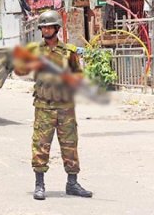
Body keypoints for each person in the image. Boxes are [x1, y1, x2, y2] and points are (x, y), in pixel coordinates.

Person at [13, 10, 93, 200]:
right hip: (44, 106)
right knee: (40, 145)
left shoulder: (69, 52)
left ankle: (72, 183)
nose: (47, 29)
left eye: (50, 26)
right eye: (44, 27)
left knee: (70, 145)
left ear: (57, 28)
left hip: (65, 106)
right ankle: (39, 185)